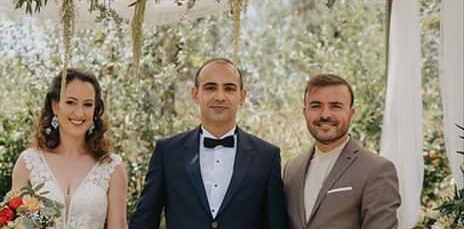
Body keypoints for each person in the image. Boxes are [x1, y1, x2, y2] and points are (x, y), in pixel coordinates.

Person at [130, 58, 288, 228]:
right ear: (196, 94)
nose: (220, 96)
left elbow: (276, 224)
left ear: (241, 97)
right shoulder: (167, 152)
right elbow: (144, 220)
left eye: (229, 88)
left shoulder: (267, 156)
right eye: (211, 88)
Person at [12, 68, 128, 229]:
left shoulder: (112, 166)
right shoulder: (28, 162)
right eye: (71, 102)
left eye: (87, 104)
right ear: (55, 106)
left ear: (95, 110)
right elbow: (14, 223)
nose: (79, 112)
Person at [283, 73, 401, 229]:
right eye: (316, 106)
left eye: (335, 106)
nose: (325, 114)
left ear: (351, 113)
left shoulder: (377, 169)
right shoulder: (291, 169)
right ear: (305, 112)